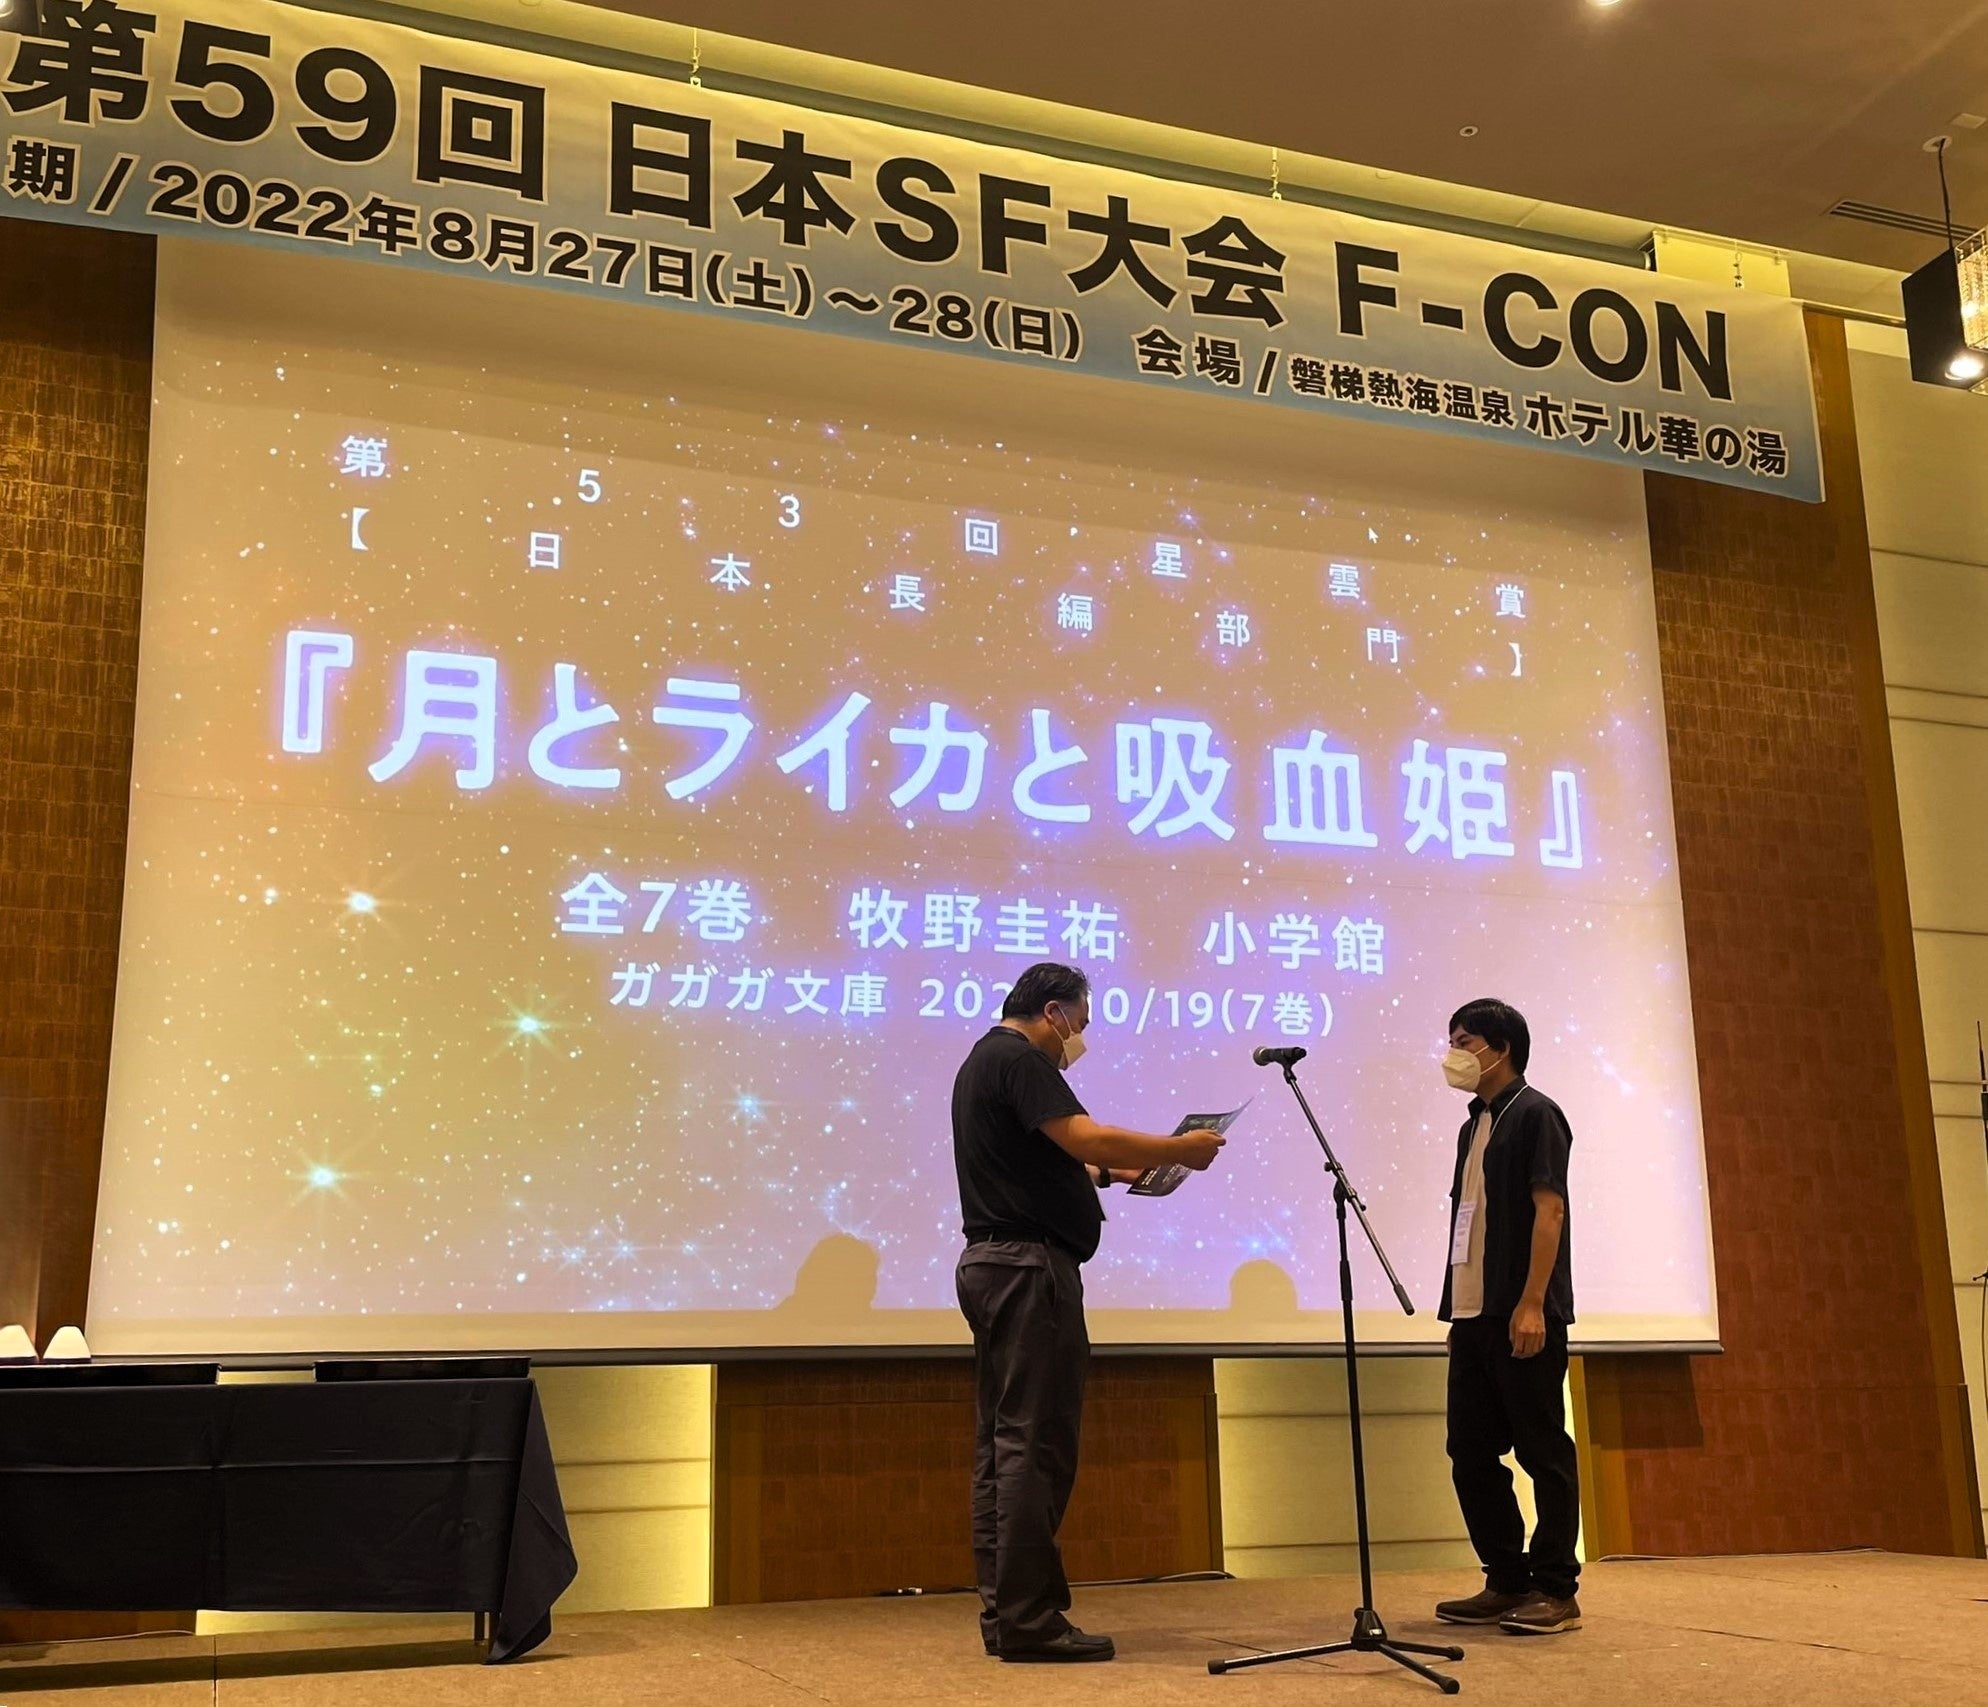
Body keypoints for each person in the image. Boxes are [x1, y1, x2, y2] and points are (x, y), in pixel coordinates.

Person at [952, 961, 1225, 1663]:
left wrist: (1115, 1173)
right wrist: (1180, 1149)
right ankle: (1030, 1620)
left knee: (1002, 1445)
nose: (1081, 1036)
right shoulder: (1022, 1059)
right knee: (1034, 1444)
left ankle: (1007, 1612)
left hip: (993, 1265)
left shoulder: (983, 1061)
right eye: (1080, 1021)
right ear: (1054, 1011)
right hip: (1029, 1270)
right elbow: (1086, 1137)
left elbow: (1046, 1159)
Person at [1432, 998, 1582, 1636]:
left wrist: (1532, 1302)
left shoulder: (1537, 1113)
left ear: (1502, 1048)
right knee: (1469, 1451)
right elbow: (1469, 1223)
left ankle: (1556, 1589)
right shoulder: (1473, 1126)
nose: (1454, 1054)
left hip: (1523, 1311)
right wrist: (1459, 1313)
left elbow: (1550, 1211)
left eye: (1465, 1041)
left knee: (1542, 1450)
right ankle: (1506, 1578)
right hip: (1473, 1316)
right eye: (1452, 1041)